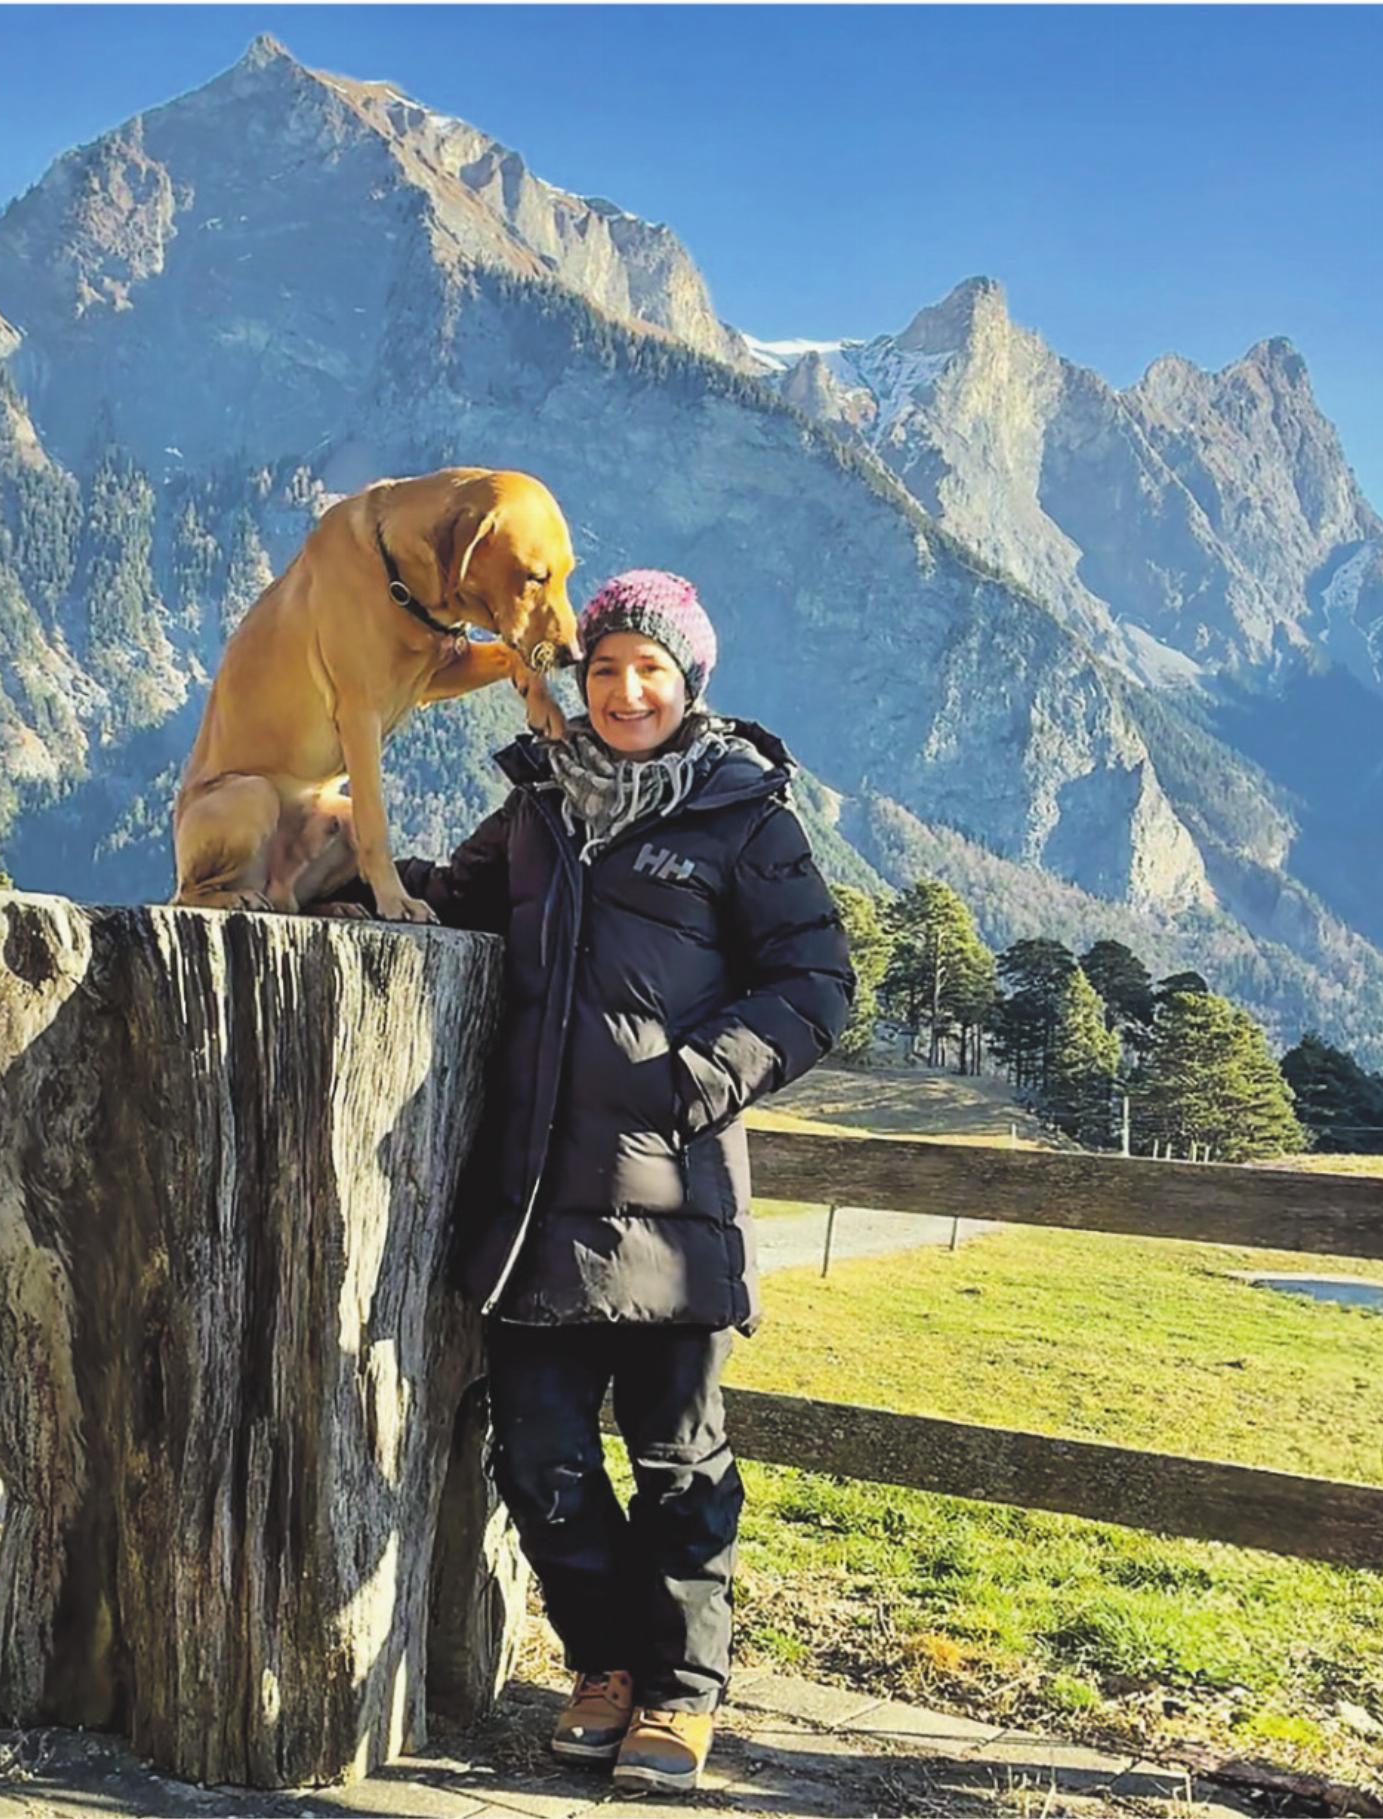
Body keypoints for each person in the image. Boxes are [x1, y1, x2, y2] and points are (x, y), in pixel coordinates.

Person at [392, 570, 853, 1792]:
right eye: (604, 669)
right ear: (581, 682)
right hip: (538, 1208)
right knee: (538, 1462)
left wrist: (695, 1080)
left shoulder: (744, 815)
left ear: (689, 682)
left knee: (679, 1466)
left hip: (675, 1206)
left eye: (650, 669)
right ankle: (604, 1664)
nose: (625, 689)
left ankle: (681, 1694)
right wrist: (340, 859)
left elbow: (815, 983)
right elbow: (452, 900)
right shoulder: (538, 808)